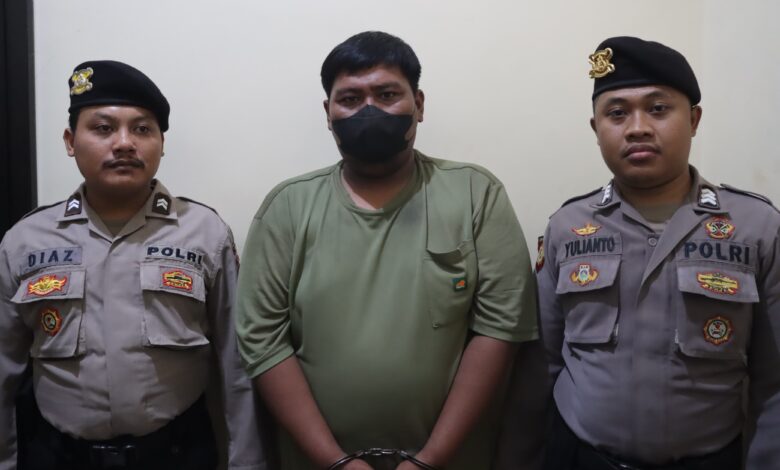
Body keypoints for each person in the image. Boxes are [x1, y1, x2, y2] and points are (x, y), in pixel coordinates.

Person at [235, 31, 538, 470]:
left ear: (419, 104)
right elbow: (261, 339)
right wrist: (335, 461)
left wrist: (430, 460)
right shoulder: (287, 207)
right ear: (327, 113)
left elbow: (501, 328)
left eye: (387, 94)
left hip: (453, 460)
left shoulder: (476, 194)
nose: (369, 110)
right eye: (350, 98)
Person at [0, 60, 270, 470]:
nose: (124, 143)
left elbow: (237, 365)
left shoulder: (204, 233)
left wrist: (247, 463)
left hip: (176, 455)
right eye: (103, 128)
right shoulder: (26, 240)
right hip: (57, 456)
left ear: (161, 143)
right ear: (71, 141)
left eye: (142, 129)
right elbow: (4, 368)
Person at [538, 36, 780, 469]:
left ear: (694, 119)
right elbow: (541, 365)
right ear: (596, 128)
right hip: (580, 457)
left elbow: (775, 380)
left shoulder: (756, 227)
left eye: (658, 108)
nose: (637, 128)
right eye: (616, 113)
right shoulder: (566, 227)